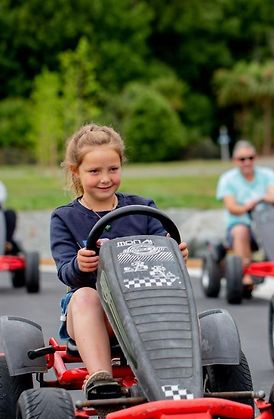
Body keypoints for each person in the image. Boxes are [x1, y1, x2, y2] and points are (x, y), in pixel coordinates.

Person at [50, 123, 189, 399]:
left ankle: (183, 379)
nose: (105, 178)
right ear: (75, 171)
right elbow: (65, 271)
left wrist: (175, 254)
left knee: (191, 312)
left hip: (143, 305)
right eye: (94, 171)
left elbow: (163, 245)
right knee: (86, 296)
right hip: (93, 313)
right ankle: (102, 379)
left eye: (113, 169)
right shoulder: (65, 218)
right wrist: (80, 266)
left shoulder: (143, 208)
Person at [216, 140, 274, 287]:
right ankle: (245, 272)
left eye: (250, 158)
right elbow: (231, 207)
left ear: (255, 158)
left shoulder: (267, 174)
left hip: (266, 220)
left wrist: (261, 199)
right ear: (235, 161)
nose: (247, 162)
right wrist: (247, 206)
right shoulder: (227, 179)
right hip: (242, 223)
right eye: (242, 159)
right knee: (240, 230)